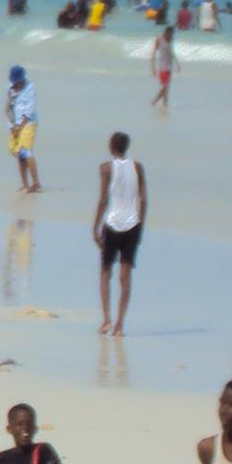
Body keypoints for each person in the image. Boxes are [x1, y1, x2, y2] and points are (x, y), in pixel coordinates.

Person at [92, 131, 144, 337]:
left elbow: (103, 199)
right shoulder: (137, 167)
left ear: (111, 146)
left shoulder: (105, 168)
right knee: (125, 275)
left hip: (112, 224)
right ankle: (120, 324)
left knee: (106, 273)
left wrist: (95, 226)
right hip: (132, 224)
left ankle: (106, 319)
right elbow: (144, 199)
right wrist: (141, 223)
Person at [5, 66, 41, 193]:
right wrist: (13, 125)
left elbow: (29, 111)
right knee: (18, 153)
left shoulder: (30, 88)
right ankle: (25, 184)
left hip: (28, 123)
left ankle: (36, 183)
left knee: (26, 151)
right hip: (14, 124)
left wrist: (20, 127)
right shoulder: (10, 88)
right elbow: (7, 108)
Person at [148, 25, 176, 107]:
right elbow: (153, 53)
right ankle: (154, 102)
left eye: (172, 34)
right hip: (162, 65)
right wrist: (152, 68)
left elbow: (171, 52)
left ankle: (165, 104)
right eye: (169, 33)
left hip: (169, 65)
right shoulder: (159, 39)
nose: (170, 35)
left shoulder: (171, 40)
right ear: (166, 32)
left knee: (166, 87)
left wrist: (177, 63)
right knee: (165, 86)